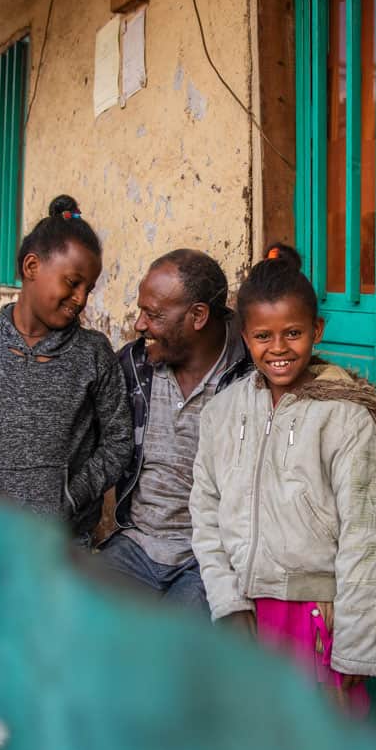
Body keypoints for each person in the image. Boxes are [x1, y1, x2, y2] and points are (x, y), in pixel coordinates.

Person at [189, 244, 376, 715]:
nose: (278, 348)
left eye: (293, 333)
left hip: (318, 618)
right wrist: (227, 603)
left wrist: (355, 645)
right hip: (247, 615)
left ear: (317, 331)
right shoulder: (222, 413)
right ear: (244, 337)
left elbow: (366, 536)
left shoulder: (345, 417)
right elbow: (205, 514)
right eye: (262, 336)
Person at [0, 195, 132, 542]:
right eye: (73, 283)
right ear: (31, 267)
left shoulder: (92, 352)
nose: (81, 299)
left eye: (89, 289)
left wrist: (71, 498)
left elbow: (118, 441)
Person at [99, 249, 251, 608]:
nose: (139, 324)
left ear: (198, 315)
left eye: (152, 315)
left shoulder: (249, 375)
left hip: (210, 556)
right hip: (136, 544)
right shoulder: (134, 365)